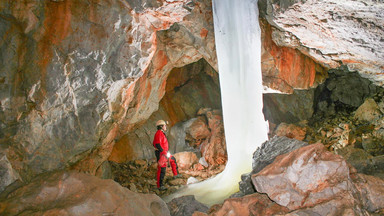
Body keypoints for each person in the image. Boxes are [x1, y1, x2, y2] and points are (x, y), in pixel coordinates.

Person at [153, 120, 181, 190]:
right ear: (161, 126)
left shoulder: (161, 133)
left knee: (172, 160)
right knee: (162, 169)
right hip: (161, 153)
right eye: (165, 125)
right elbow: (157, 144)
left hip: (164, 153)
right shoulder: (159, 133)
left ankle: (176, 174)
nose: (166, 127)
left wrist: (165, 152)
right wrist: (163, 152)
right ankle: (160, 186)